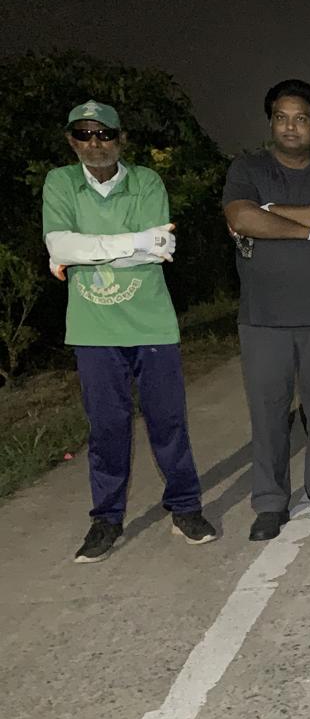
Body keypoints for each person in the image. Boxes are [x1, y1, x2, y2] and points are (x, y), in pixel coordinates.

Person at [42, 100, 214, 562]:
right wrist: (133, 242)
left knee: (168, 422)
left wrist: (86, 250)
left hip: (152, 324)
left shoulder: (146, 181)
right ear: (71, 140)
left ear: (121, 139)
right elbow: (59, 244)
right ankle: (106, 519)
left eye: (104, 134)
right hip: (93, 330)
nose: (95, 143)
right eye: (84, 134)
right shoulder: (61, 182)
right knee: (106, 429)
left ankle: (185, 508)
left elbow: (159, 249)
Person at [222, 79, 310, 541]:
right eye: (282, 118)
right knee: (268, 414)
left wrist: (273, 213)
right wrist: (309, 230)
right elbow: (241, 217)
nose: (291, 127)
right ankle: (270, 503)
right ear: (271, 123)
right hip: (262, 317)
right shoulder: (247, 168)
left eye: (301, 119)